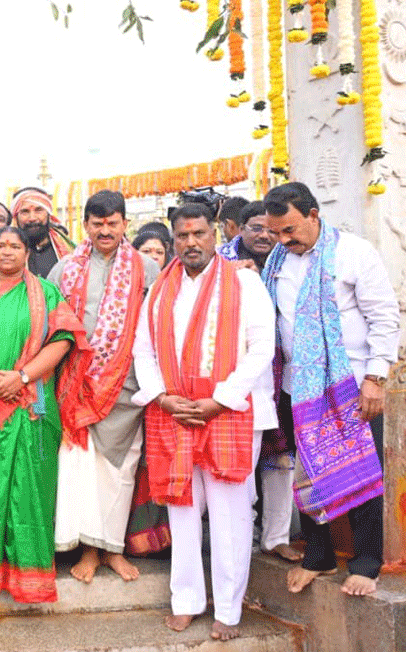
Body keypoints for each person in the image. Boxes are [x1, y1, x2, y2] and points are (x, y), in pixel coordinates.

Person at [131, 204, 275, 641]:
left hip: (228, 413)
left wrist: (219, 400)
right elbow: (143, 349)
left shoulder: (245, 282)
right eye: (182, 236)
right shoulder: (159, 290)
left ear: (214, 234)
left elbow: (261, 346)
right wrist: (165, 398)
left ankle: (229, 610)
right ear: (173, 239)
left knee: (231, 515)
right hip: (174, 414)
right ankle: (186, 600)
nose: (191, 243)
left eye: (198, 234)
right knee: (183, 511)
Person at [262, 182, 398, 597]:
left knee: (359, 472)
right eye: (277, 233)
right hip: (295, 387)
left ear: (313, 215)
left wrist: (375, 378)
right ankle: (318, 556)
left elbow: (384, 317)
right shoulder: (277, 261)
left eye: (289, 230)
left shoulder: (354, 252)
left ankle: (366, 564)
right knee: (308, 476)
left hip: (349, 385)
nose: (284, 240)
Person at [0, 226, 87, 604]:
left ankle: (29, 573)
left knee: (29, 488)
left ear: (28, 252)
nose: (7, 251)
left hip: (32, 402)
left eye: (15, 246)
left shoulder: (46, 292)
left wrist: (22, 376)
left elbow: (63, 339)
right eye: (0, 245)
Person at [47, 191, 160, 583]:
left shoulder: (147, 269)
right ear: (86, 226)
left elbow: (159, 327)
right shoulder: (64, 270)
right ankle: (89, 551)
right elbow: (50, 327)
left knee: (121, 469)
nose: (105, 230)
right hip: (74, 387)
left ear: (124, 224)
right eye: (97, 224)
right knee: (80, 468)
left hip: (126, 386)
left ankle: (113, 548)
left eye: (112, 223)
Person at [219, 201, 300, 563]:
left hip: (286, 374)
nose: (264, 235)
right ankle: (241, 536)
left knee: (281, 460)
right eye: (256, 227)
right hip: (233, 379)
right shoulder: (218, 263)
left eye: (271, 228)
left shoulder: (291, 259)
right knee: (238, 464)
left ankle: (276, 537)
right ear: (238, 229)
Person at [12, 187, 74, 277]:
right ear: (16, 217)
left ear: (49, 215)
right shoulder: (8, 253)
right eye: (25, 212)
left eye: (38, 210)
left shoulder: (70, 250)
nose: (32, 218)